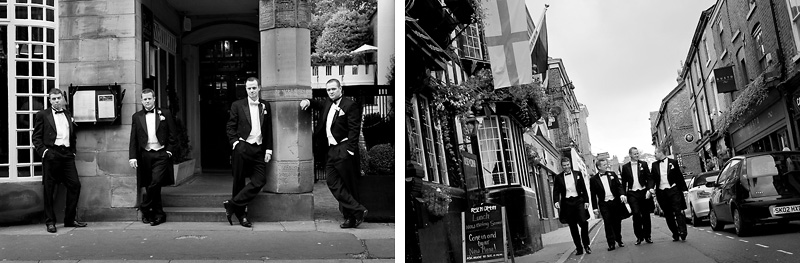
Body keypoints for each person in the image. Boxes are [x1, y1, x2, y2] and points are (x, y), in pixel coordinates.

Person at [300, 79, 367, 228]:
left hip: (344, 149)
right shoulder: (327, 103)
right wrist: (307, 101)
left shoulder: (350, 105)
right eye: (328, 90)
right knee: (331, 181)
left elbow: (354, 129)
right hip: (331, 150)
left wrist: (349, 150)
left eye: (333, 89)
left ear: (340, 89)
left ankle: (351, 218)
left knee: (348, 185)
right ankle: (358, 210)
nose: (330, 92)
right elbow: (316, 104)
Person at [32, 88, 86, 233]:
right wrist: (45, 152)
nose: (56, 101)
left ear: (63, 99)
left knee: (75, 185)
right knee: (50, 189)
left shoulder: (68, 114)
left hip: (67, 155)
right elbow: (36, 138)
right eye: (53, 99)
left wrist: (73, 151)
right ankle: (50, 222)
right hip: (52, 154)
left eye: (58, 98)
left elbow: (73, 135)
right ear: (49, 100)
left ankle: (69, 219)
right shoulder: (42, 115)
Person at [224, 77, 274, 228]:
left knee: (260, 180)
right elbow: (230, 127)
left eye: (254, 88)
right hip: (242, 147)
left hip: (258, 148)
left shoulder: (266, 105)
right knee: (238, 182)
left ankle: (232, 204)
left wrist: (269, 149)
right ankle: (241, 215)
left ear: (259, 88)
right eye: (249, 88)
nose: (252, 91)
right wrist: (235, 144)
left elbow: (269, 129)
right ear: (245, 89)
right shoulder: (237, 105)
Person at [128, 88, 178, 226]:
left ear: (154, 99)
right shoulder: (136, 117)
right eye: (145, 99)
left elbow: (173, 134)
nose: (147, 101)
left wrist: (169, 151)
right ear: (141, 101)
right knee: (151, 185)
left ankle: (144, 207)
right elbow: (133, 138)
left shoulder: (165, 113)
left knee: (155, 182)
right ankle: (157, 214)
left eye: (149, 98)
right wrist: (132, 157)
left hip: (161, 154)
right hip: (145, 154)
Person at [553, 157, 592, 255]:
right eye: (564, 166)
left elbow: (584, 188)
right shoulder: (558, 177)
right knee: (573, 226)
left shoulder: (577, 174)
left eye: (567, 165)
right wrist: (556, 201)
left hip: (578, 200)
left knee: (584, 222)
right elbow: (556, 191)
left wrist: (586, 201)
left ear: (570, 164)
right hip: (567, 203)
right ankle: (579, 248)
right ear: (561, 166)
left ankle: (586, 244)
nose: (566, 167)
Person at [650, 147, 689, 241]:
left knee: (678, 211)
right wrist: (651, 188)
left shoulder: (673, 162)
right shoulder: (654, 165)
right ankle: (675, 233)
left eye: (655, 153)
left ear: (660, 153)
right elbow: (652, 178)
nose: (654, 155)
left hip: (673, 190)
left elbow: (679, 176)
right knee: (668, 214)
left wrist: (684, 189)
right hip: (662, 192)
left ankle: (683, 231)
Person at [590, 158, 626, 251]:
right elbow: (593, 194)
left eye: (607, 164)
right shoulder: (593, 179)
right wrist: (594, 208)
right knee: (607, 223)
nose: (607, 166)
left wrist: (622, 194)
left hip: (615, 201)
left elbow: (619, 186)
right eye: (604, 165)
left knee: (617, 222)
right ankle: (611, 243)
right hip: (604, 204)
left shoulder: (612, 174)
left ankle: (619, 239)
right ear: (599, 167)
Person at [620, 147, 653, 245]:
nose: (637, 155)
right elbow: (623, 183)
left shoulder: (644, 164)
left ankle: (648, 236)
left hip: (643, 192)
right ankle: (639, 237)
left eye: (637, 153)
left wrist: (649, 189)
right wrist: (623, 194)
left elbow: (649, 178)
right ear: (630, 155)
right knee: (636, 213)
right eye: (634, 154)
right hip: (632, 193)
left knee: (646, 215)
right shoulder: (625, 167)